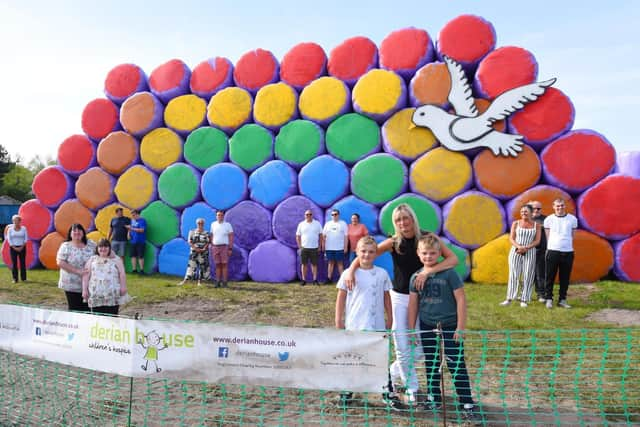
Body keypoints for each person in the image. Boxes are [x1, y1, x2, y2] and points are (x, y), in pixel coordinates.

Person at [344, 203, 458, 407]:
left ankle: (392, 372)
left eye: (406, 218)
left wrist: (427, 272)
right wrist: (351, 269)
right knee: (402, 347)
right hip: (399, 300)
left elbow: (452, 259)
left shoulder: (427, 238)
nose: (403, 222)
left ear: (412, 218)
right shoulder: (393, 242)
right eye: (398, 220)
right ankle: (412, 388)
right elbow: (366, 254)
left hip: (423, 300)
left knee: (423, 348)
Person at [407, 234, 481, 424]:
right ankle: (434, 399)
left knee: (455, 363)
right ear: (418, 253)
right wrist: (411, 329)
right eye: (425, 253)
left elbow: (461, 299)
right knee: (431, 363)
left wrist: (460, 327)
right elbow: (413, 304)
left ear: (440, 253)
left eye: (432, 253)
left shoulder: (449, 273)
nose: (428, 257)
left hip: (449, 325)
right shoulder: (415, 276)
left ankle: (467, 403)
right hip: (427, 325)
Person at [334, 236, 392, 406]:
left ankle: (386, 390)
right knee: (353, 357)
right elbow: (341, 297)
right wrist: (339, 319)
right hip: (355, 323)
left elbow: (386, 297)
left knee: (381, 357)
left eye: (371, 252)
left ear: (376, 254)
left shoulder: (382, 274)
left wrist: (391, 317)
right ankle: (347, 389)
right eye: (363, 251)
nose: (367, 255)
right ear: (356, 252)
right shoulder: (348, 273)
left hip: (377, 324)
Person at [500, 204, 541, 307]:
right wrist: (519, 247)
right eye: (522, 211)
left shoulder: (537, 225)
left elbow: (537, 241)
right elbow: (511, 238)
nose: (523, 213)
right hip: (516, 251)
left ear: (531, 213)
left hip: (530, 251)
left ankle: (524, 299)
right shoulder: (515, 223)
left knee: (528, 275)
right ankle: (509, 299)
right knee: (514, 274)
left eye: (526, 211)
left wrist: (526, 247)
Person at [544, 198, 578, 309]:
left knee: (565, 277)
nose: (560, 208)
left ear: (565, 206)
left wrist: (565, 244)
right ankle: (549, 298)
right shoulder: (549, 219)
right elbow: (547, 235)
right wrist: (553, 246)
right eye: (557, 206)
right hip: (553, 250)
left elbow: (572, 235)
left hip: (567, 251)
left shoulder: (572, 219)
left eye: (562, 205)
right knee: (550, 276)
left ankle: (562, 300)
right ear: (553, 207)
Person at [57, 224, 97, 312]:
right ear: (70, 234)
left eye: (79, 230)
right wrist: (78, 271)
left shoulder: (91, 244)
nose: (77, 232)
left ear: (83, 232)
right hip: (71, 283)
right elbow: (60, 262)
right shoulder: (66, 246)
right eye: (74, 230)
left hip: (89, 283)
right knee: (74, 308)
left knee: (87, 308)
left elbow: (101, 253)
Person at [82, 239, 127, 315]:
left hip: (112, 295)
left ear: (109, 248)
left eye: (106, 246)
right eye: (100, 246)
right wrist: (84, 290)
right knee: (97, 317)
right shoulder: (92, 259)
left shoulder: (116, 259)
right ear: (97, 248)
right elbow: (86, 275)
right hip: (96, 295)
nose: (103, 249)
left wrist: (123, 287)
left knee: (112, 317)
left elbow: (122, 273)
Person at [179, 218, 212, 287]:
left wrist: (204, 248)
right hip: (194, 252)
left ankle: (200, 282)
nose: (200, 224)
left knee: (202, 267)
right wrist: (196, 248)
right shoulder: (192, 231)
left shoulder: (207, 233)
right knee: (191, 266)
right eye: (199, 223)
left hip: (203, 252)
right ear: (196, 224)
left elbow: (208, 242)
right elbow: (189, 241)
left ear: (203, 224)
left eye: (201, 223)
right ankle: (186, 280)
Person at [296, 210, 323, 286]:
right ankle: (304, 280)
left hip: (314, 247)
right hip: (304, 248)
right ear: (304, 215)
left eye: (310, 214)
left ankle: (315, 280)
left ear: (312, 215)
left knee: (314, 264)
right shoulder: (301, 224)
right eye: (307, 214)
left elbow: (321, 235)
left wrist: (319, 246)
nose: (308, 216)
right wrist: (300, 247)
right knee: (304, 264)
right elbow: (298, 236)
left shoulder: (317, 224)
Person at [528, 200, 547, 302]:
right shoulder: (525, 219)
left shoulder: (546, 219)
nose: (536, 210)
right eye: (534, 208)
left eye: (538, 208)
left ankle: (541, 294)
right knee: (528, 273)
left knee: (540, 273)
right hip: (528, 250)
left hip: (542, 250)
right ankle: (526, 294)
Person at [322, 209, 348, 283]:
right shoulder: (327, 224)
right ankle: (329, 278)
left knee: (340, 263)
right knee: (330, 263)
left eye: (335, 214)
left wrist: (345, 247)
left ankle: (342, 280)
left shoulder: (343, 224)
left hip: (339, 247)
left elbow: (346, 236)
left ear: (338, 215)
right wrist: (323, 246)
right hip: (329, 248)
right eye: (332, 214)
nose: (334, 216)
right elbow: (324, 236)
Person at [210, 210, 234, 288]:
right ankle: (217, 282)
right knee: (217, 265)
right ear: (216, 216)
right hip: (215, 247)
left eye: (221, 215)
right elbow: (212, 235)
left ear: (223, 216)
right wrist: (212, 245)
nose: (219, 216)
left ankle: (225, 282)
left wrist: (230, 248)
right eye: (218, 215)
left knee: (224, 264)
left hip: (224, 247)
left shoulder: (228, 225)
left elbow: (231, 237)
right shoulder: (213, 224)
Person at [5, 214, 28, 283]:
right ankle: (15, 279)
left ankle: (24, 278)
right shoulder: (10, 229)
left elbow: (26, 238)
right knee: (14, 263)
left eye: (17, 220)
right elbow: (9, 239)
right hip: (13, 248)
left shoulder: (24, 228)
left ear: (20, 221)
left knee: (22, 263)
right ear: (12, 221)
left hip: (22, 247)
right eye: (14, 221)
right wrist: (14, 247)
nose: (16, 222)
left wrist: (22, 246)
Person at [127, 209, 147, 274]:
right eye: (132, 215)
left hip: (140, 241)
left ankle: (141, 270)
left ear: (138, 214)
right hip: (133, 241)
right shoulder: (132, 221)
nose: (133, 216)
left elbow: (142, 230)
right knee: (133, 256)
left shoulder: (142, 221)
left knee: (141, 256)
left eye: (134, 215)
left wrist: (131, 228)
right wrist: (128, 234)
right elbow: (130, 229)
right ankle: (134, 270)